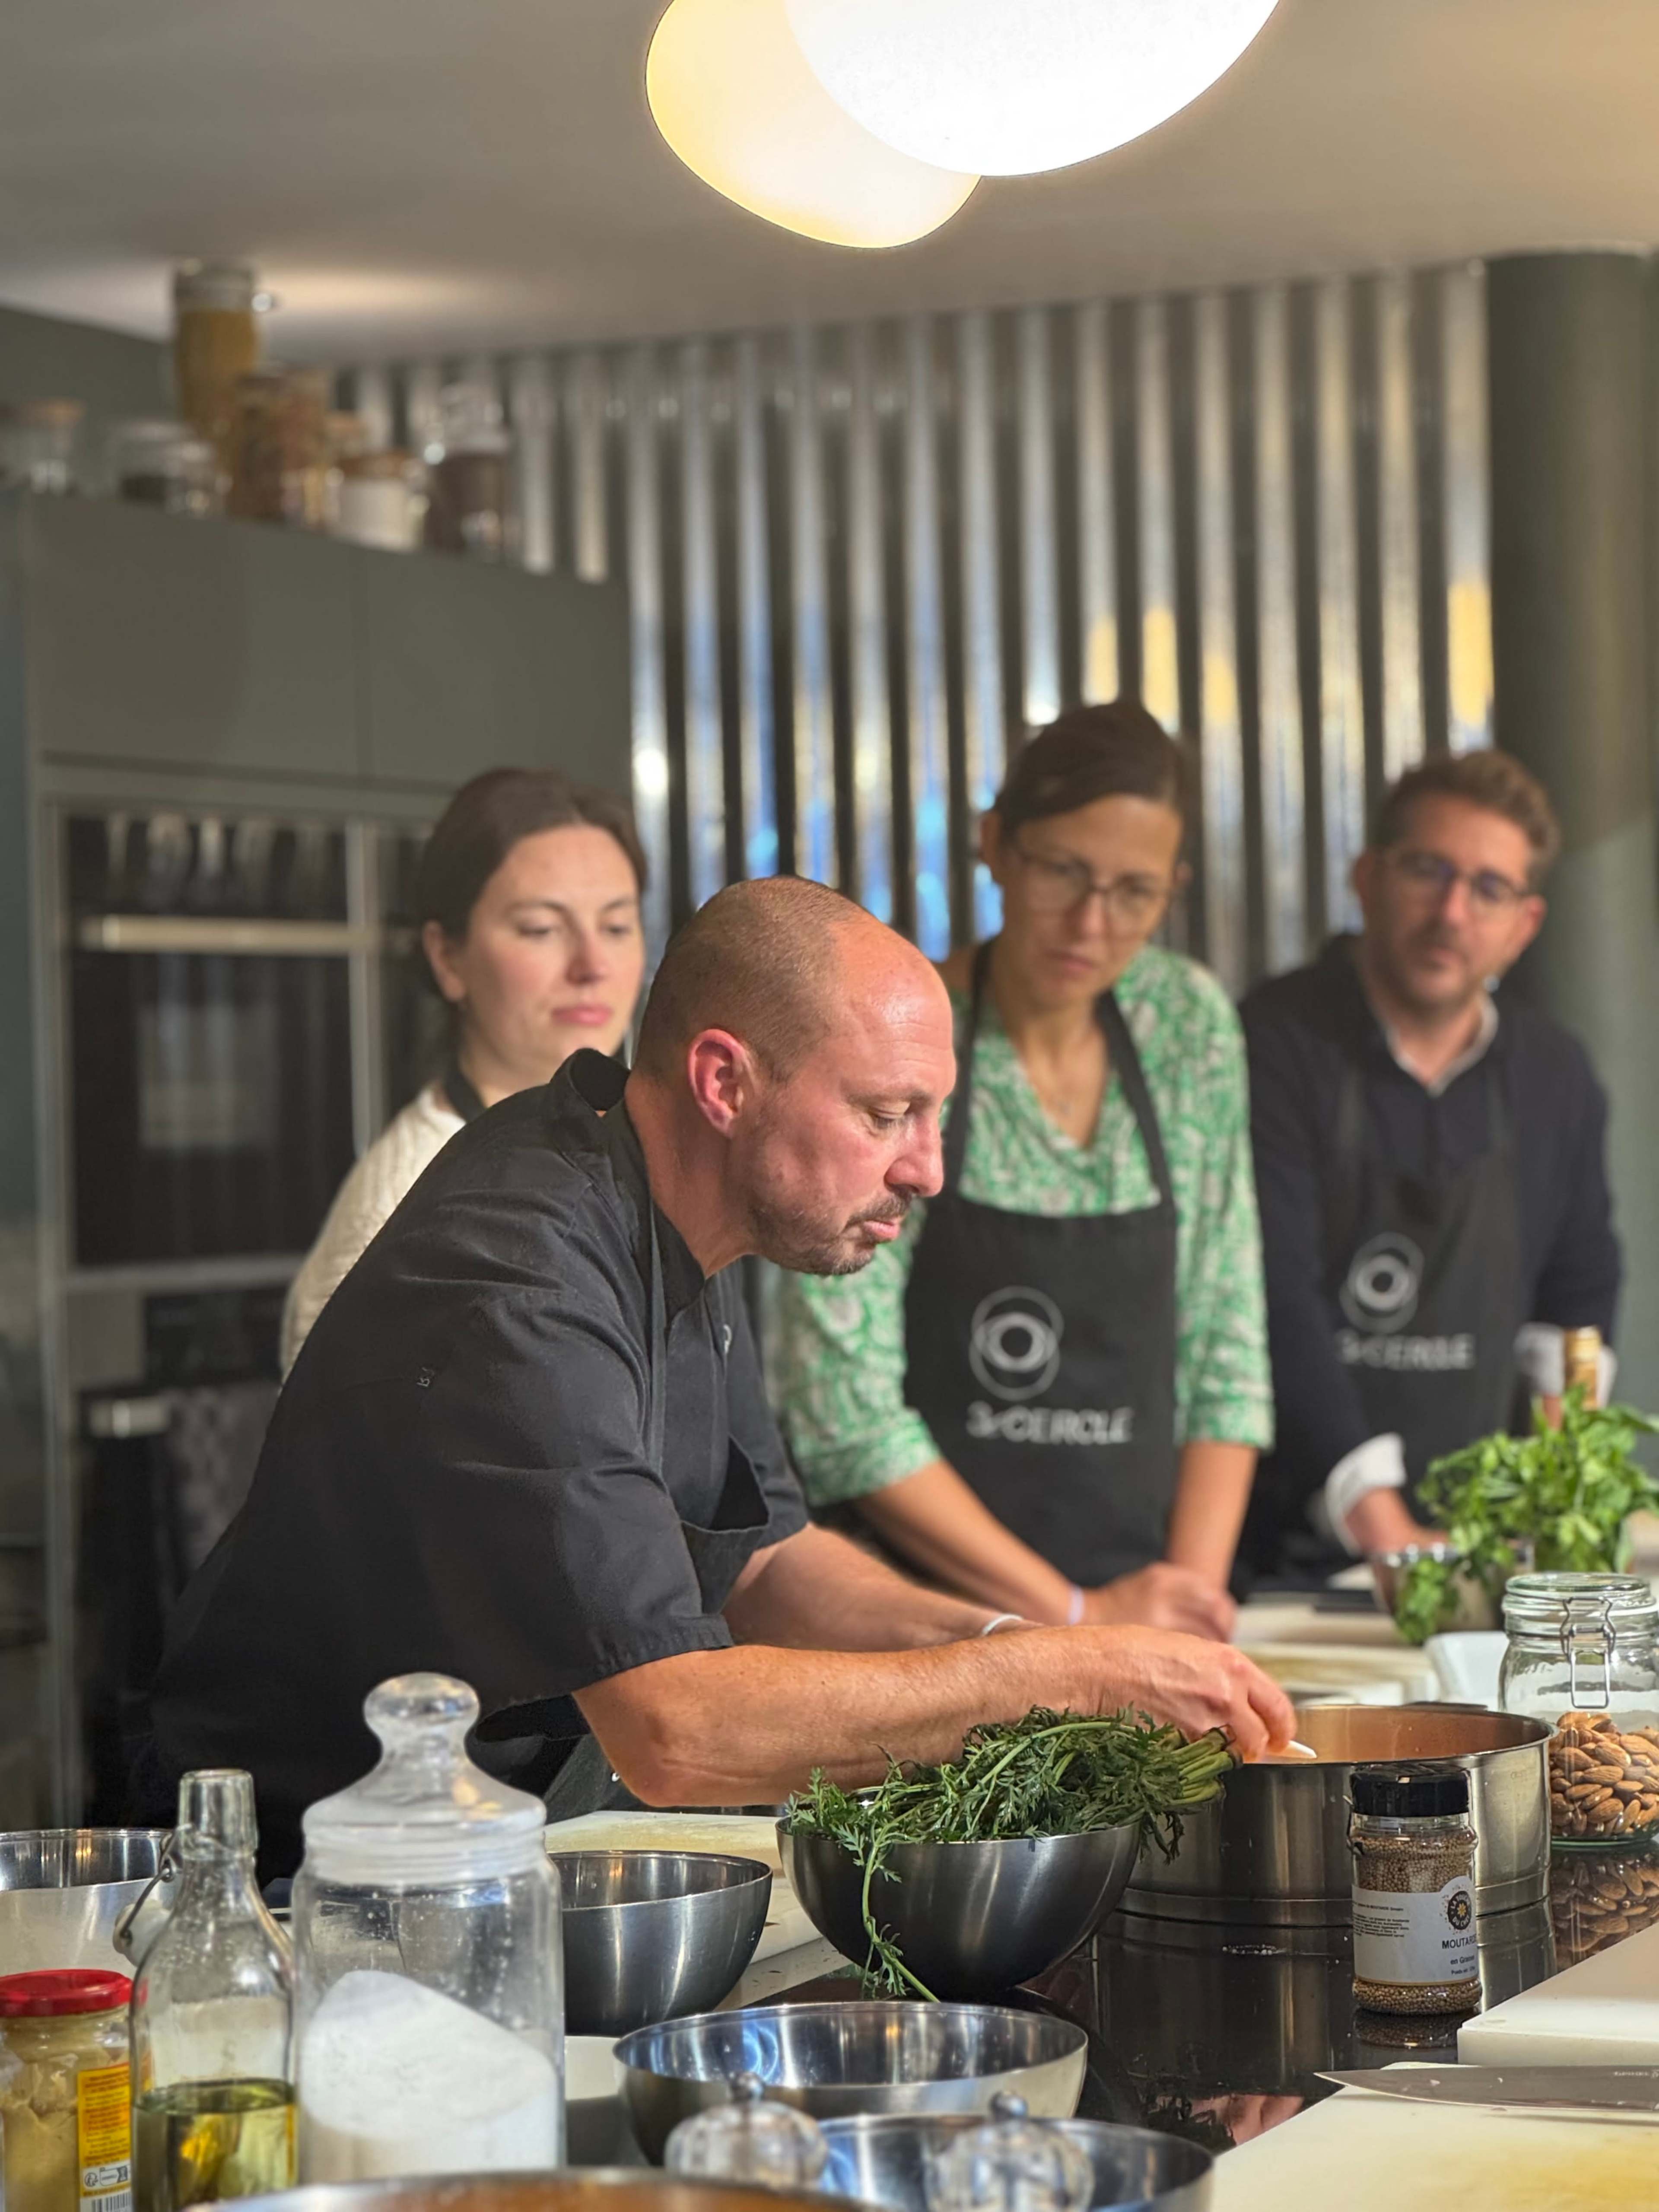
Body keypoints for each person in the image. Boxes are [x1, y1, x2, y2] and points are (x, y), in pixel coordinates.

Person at [149, 877, 1294, 1873]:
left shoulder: (696, 1212)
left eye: (932, 1114)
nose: (928, 1168)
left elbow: (769, 1564)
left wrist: (1010, 1646)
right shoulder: (519, 1271)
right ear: (724, 1083)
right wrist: (1053, 1676)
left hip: (508, 1846)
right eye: (886, 1113)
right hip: (297, 1891)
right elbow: (673, 1728)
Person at [776, 702, 1273, 1639]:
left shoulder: (1189, 1028)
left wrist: (1179, 1610)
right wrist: (1075, 1616)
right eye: (1062, 872)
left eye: (1135, 890)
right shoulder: (897, 1046)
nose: (1092, 921)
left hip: (1142, 1608)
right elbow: (841, 1406)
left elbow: (1226, 1345)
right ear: (995, 845)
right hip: (925, 1622)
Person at [1239, 749, 1621, 1580]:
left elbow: (1573, 1308)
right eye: (1428, 871)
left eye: (1489, 889)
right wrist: (1386, 1529)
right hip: (1280, 1553)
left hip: (1478, 1552)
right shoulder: (1270, 1043)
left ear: (1523, 925)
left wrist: (1555, 1509)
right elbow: (1270, 1297)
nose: (1454, 912)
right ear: (1367, 877)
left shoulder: (1555, 1076)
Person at [280, 768, 647, 1370]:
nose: (592, 964)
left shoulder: (628, 1156)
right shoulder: (402, 1210)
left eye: (616, 927)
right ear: (447, 957)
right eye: (542, 929)